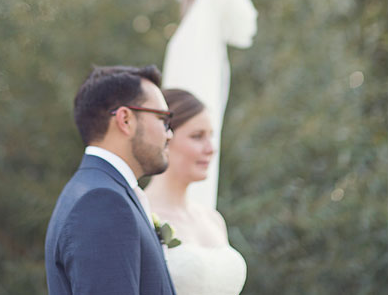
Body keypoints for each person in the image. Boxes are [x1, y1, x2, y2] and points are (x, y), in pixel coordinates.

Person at [45, 65, 177, 295]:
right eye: (162, 119)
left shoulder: (99, 190)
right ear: (125, 119)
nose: (169, 134)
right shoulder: (101, 202)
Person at [144, 89, 247, 295]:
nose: (211, 149)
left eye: (211, 136)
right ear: (164, 138)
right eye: (197, 136)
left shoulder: (213, 219)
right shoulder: (141, 214)